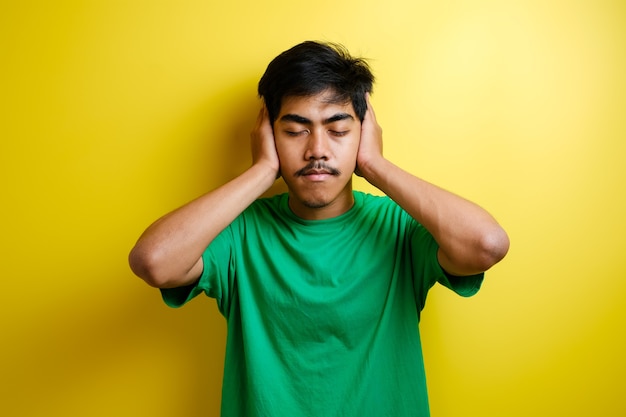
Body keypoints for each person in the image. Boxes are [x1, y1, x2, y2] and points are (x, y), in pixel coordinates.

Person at [129, 41, 510, 417]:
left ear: (363, 133)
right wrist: (262, 172)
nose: (317, 150)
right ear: (268, 136)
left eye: (338, 130)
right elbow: (154, 262)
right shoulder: (239, 233)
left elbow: (486, 245)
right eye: (295, 131)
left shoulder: (399, 227)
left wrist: (376, 165)